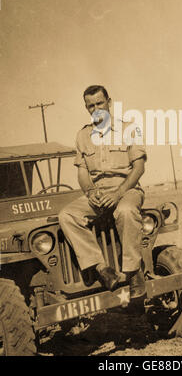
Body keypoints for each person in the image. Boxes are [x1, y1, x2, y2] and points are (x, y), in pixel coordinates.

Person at [59, 85, 147, 299]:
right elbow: (82, 173)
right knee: (67, 216)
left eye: (99, 103)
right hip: (97, 193)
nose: (96, 109)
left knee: (126, 212)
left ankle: (133, 273)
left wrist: (118, 192)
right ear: (86, 108)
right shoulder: (82, 136)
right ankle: (101, 268)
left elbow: (139, 168)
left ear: (109, 102)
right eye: (91, 106)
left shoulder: (129, 128)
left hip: (127, 189)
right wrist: (89, 191)